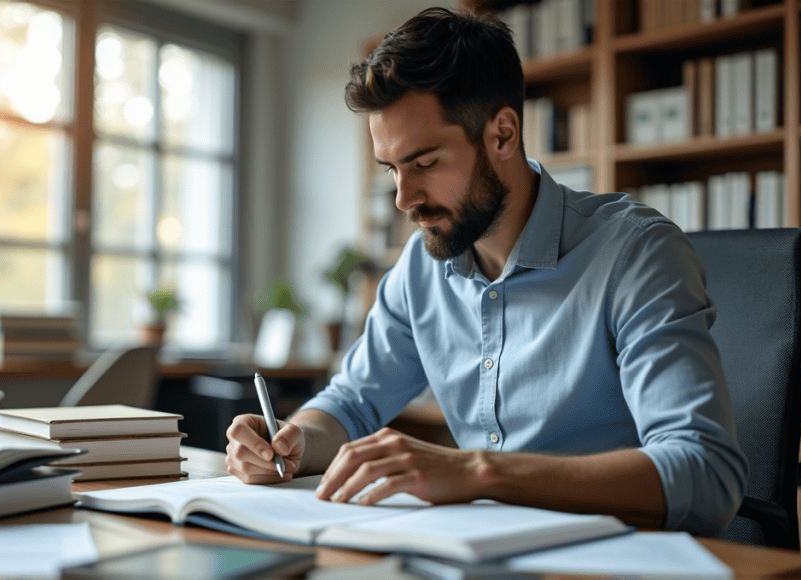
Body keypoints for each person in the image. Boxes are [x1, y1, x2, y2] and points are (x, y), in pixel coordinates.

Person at [225, 7, 747, 535]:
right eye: (392, 169)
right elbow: (351, 402)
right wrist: (287, 442)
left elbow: (705, 475)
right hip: (478, 554)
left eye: (425, 164)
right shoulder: (419, 269)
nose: (405, 199)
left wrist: (477, 471)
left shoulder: (635, 254)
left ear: (502, 134)